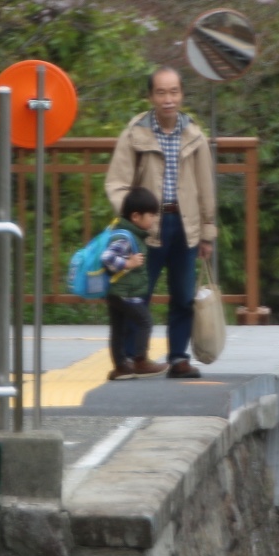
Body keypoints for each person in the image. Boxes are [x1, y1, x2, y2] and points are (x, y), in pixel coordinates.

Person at [104, 66, 218, 378]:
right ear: (151, 96)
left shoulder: (194, 134)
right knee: (137, 292)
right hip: (145, 228)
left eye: (174, 92)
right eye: (161, 92)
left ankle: (178, 357)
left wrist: (207, 231)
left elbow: (205, 186)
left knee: (183, 295)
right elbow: (116, 183)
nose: (168, 99)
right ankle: (130, 358)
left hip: (185, 224)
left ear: (181, 95)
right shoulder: (135, 132)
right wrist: (132, 217)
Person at [101, 187, 165, 380]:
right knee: (144, 321)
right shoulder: (126, 237)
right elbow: (108, 258)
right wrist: (128, 263)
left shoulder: (126, 233)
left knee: (118, 327)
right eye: (151, 215)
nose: (154, 219)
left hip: (116, 291)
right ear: (136, 216)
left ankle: (121, 367)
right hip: (125, 292)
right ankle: (140, 361)